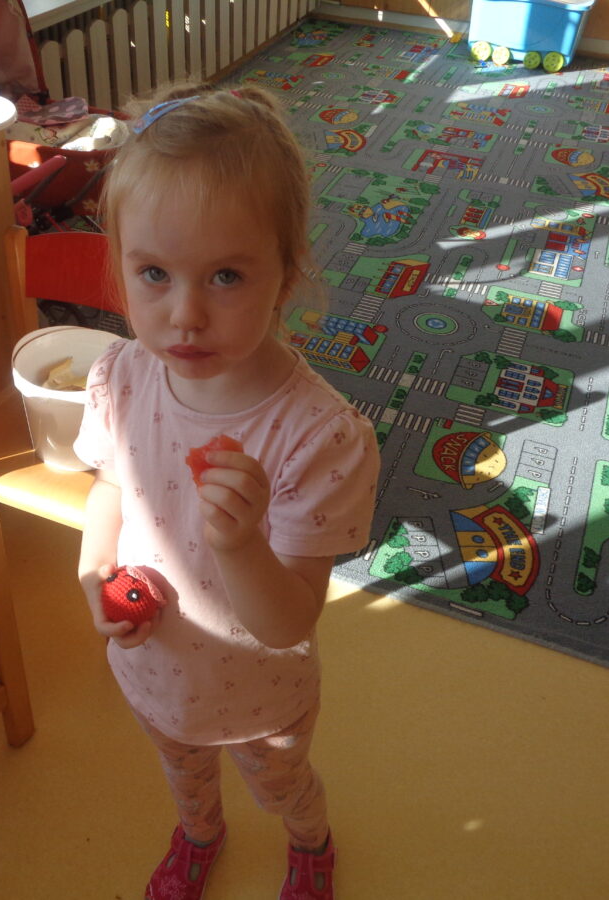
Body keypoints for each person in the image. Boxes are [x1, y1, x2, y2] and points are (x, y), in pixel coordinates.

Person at [74, 82, 380, 900]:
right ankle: (199, 834)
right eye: (153, 272)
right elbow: (110, 483)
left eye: (226, 276)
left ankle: (310, 844)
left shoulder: (318, 437)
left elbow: (288, 622)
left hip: (259, 694)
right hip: (155, 672)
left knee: (283, 787)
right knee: (183, 776)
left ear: (285, 274)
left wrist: (240, 542)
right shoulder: (122, 378)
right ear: (120, 263)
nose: (185, 314)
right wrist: (94, 570)